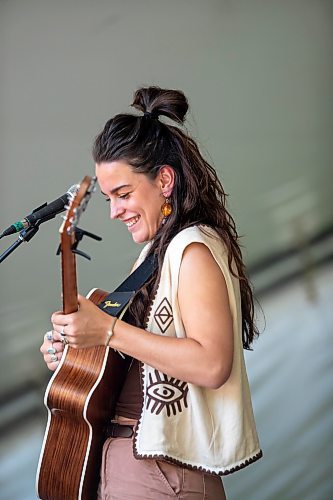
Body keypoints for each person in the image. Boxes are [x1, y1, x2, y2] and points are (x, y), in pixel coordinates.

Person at [40, 86, 262, 499]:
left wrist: (105, 331)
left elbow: (213, 363)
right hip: (138, 466)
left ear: (164, 179)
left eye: (123, 194)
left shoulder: (192, 248)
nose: (114, 211)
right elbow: (135, 358)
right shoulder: (154, 256)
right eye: (108, 198)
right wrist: (75, 351)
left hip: (160, 476)